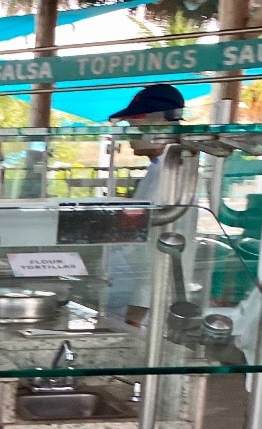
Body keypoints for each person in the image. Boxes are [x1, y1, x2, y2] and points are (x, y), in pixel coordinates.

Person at [104, 84, 186, 327]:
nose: (131, 133)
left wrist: (136, 314)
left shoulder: (172, 171)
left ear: (163, 123)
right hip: (128, 296)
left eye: (135, 125)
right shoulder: (159, 167)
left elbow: (155, 250)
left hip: (144, 308)